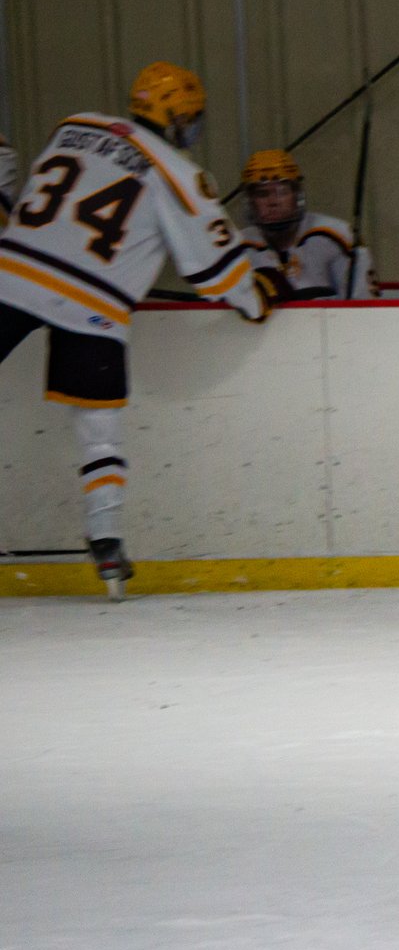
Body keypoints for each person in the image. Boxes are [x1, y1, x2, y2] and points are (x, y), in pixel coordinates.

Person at [0, 63, 279, 593]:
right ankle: (105, 540)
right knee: (97, 427)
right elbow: (219, 272)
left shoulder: (73, 125)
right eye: (190, 118)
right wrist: (255, 297)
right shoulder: (179, 173)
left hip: (10, 274)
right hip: (91, 303)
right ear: (175, 118)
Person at [236, 149, 370, 299]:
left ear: (296, 196)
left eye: (282, 192)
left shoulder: (338, 237)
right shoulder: (236, 248)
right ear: (251, 202)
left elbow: (364, 306)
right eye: (262, 194)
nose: (273, 202)